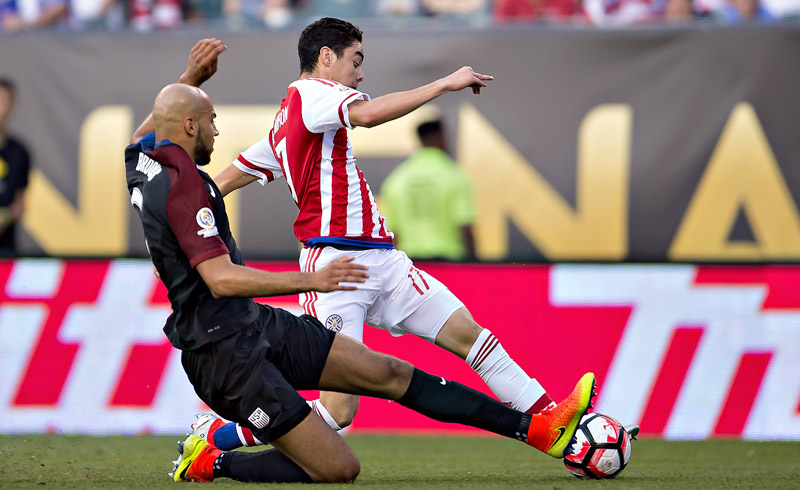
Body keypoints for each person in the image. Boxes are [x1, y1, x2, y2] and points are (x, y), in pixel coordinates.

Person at [124, 38, 596, 483]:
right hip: (240, 334)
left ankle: (544, 427)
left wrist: (191, 80)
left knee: (406, 366)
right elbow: (222, 277)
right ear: (326, 57)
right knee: (337, 439)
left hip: (287, 307)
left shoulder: (152, 168)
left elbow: (187, 160)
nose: (217, 128)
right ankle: (214, 454)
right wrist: (444, 84)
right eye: (355, 59)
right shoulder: (307, 99)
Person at [380, 118, 476, 261]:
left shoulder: (397, 179)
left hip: (410, 264)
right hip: (449, 264)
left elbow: (393, 233)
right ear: (441, 138)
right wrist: (473, 266)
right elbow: (465, 228)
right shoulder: (454, 176)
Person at [0, 78, 31, 256]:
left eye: (3, 102)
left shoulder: (19, 152)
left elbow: (21, 202)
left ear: (11, 106)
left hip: (6, 249)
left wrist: (4, 218)